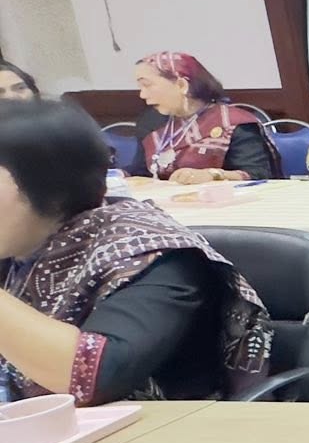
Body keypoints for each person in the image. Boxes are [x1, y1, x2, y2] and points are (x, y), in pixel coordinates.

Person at [0, 99, 272, 404]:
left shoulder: (149, 254)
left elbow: (89, 378)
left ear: (48, 182)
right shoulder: (17, 249)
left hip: (164, 427)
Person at [127, 51, 281, 183]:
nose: (142, 95)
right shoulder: (152, 122)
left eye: (147, 85)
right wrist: (121, 175)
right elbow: (142, 171)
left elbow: (259, 175)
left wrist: (213, 175)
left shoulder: (233, 123)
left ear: (181, 85)